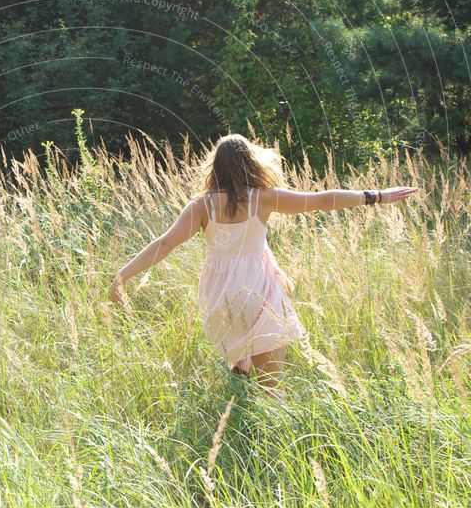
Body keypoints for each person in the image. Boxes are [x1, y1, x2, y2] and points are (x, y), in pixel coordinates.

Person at [109, 133, 417, 395]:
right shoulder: (263, 198)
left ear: (214, 168)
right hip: (259, 291)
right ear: (251, 163)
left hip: (221, 296)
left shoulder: (202, 207)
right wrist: (376, 196)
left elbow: (164, 244)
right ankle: (270, 439)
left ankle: (240, 388)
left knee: (241, 374)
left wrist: (122, 276)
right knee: (272, 388)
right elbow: (323, 199)